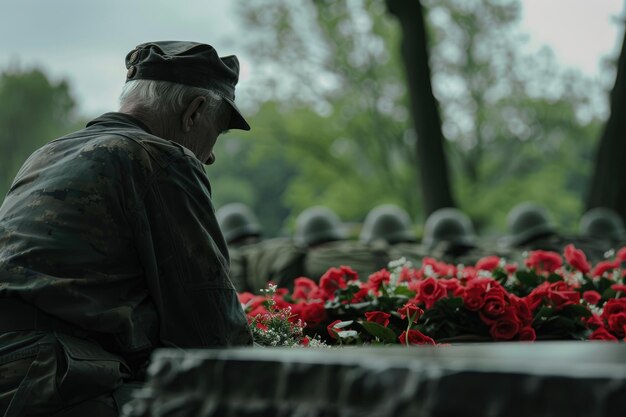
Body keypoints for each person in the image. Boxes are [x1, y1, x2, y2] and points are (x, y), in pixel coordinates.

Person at [0, 41, 253, 416]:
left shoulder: (47, 154)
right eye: (216, 133)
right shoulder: (161, 158)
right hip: (49, 381)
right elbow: (211, 331)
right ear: (194, 112)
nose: (211, 155)